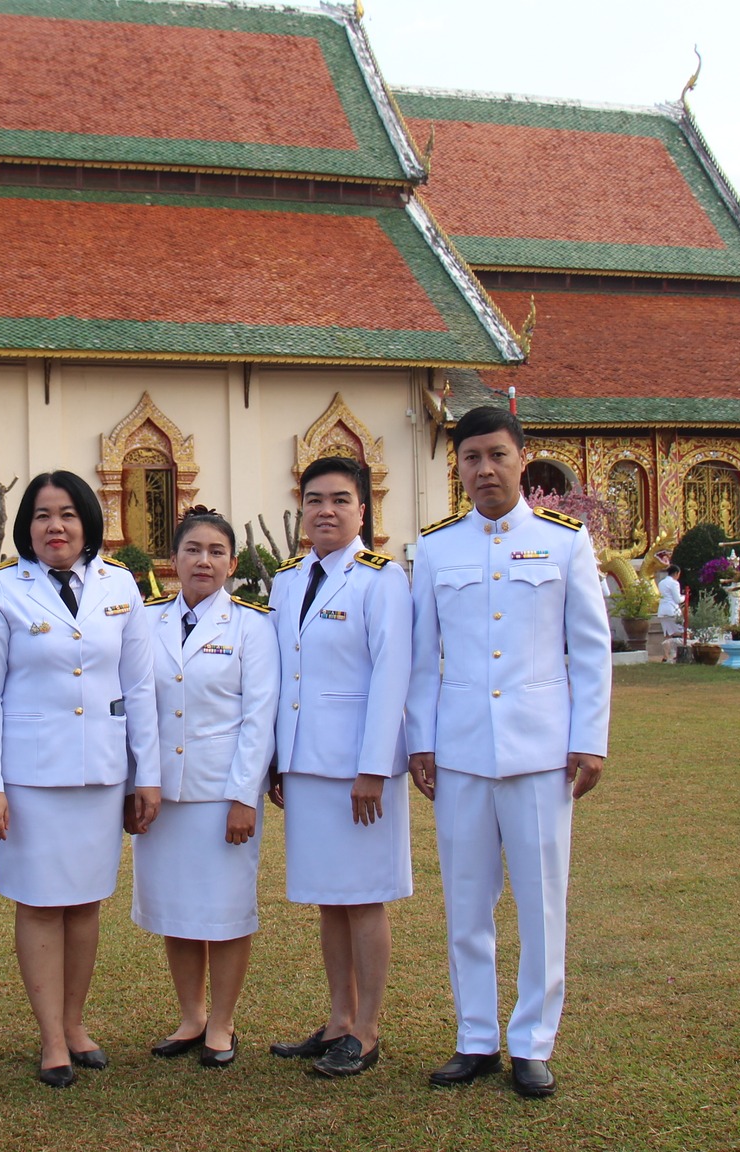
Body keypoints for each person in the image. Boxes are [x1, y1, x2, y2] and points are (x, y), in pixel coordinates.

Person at [406, 407, 611, 1099]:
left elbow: (588, 648)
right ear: (456, 467)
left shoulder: (563, 541)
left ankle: (532, 1042)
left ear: (523, 459)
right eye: (471, 458)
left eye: (497, 455)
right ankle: (475, 1038)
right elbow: (421, 659)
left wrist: (590, 738)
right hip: (460, 750)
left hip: (540, 751)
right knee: (466, 901)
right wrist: (421, 742)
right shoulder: (436, 548)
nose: (484, 469)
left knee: (541, 903)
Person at [0, 470, 160, 1088]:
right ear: (27, 525)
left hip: (101, 773)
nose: (57, 526)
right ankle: (50, 1037)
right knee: (42, 905)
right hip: (31, 777)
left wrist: (144, 776)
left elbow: (140, 688)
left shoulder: (120, 584)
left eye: (69, 514)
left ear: (89, 523)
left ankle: (76, 1024)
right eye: (44, 514)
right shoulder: (2, 592)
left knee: (85, 904)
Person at [265, 456, 411, 1080]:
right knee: (329, 898)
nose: (326, 510)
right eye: (315, 499)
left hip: (358, 771)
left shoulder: (383, 580)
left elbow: (392, 675)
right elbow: (277, 675)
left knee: (365, 896)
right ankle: (338, 1019)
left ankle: (369, 1029)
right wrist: (275, 761)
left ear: (362, 510)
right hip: (304, 765)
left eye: (340, 500)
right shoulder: (287, 580)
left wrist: (373, 768)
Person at [130, 507, 279, 1069]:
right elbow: (137, 708)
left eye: (217, 551)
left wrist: (245, 795)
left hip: (222, 793)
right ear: (174, 559)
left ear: (233, 563)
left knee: (226, 909)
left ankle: (223, 1021)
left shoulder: (253, 626)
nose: (204, 561)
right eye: (193, 549)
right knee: (177, 909)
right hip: (161, 793)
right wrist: (137, 782)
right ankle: (191, 1015)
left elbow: (258, 718)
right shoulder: (146, 622)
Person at [656, 564, 684, 661]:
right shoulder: (674, 583)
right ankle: (678, 653)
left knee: (667, 634)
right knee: (681, 632)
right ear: (676, 573)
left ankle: (666, 656)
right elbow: (677, 599)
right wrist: (685, 597)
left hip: (662, 610)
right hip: (672, 610)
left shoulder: (661, 583)